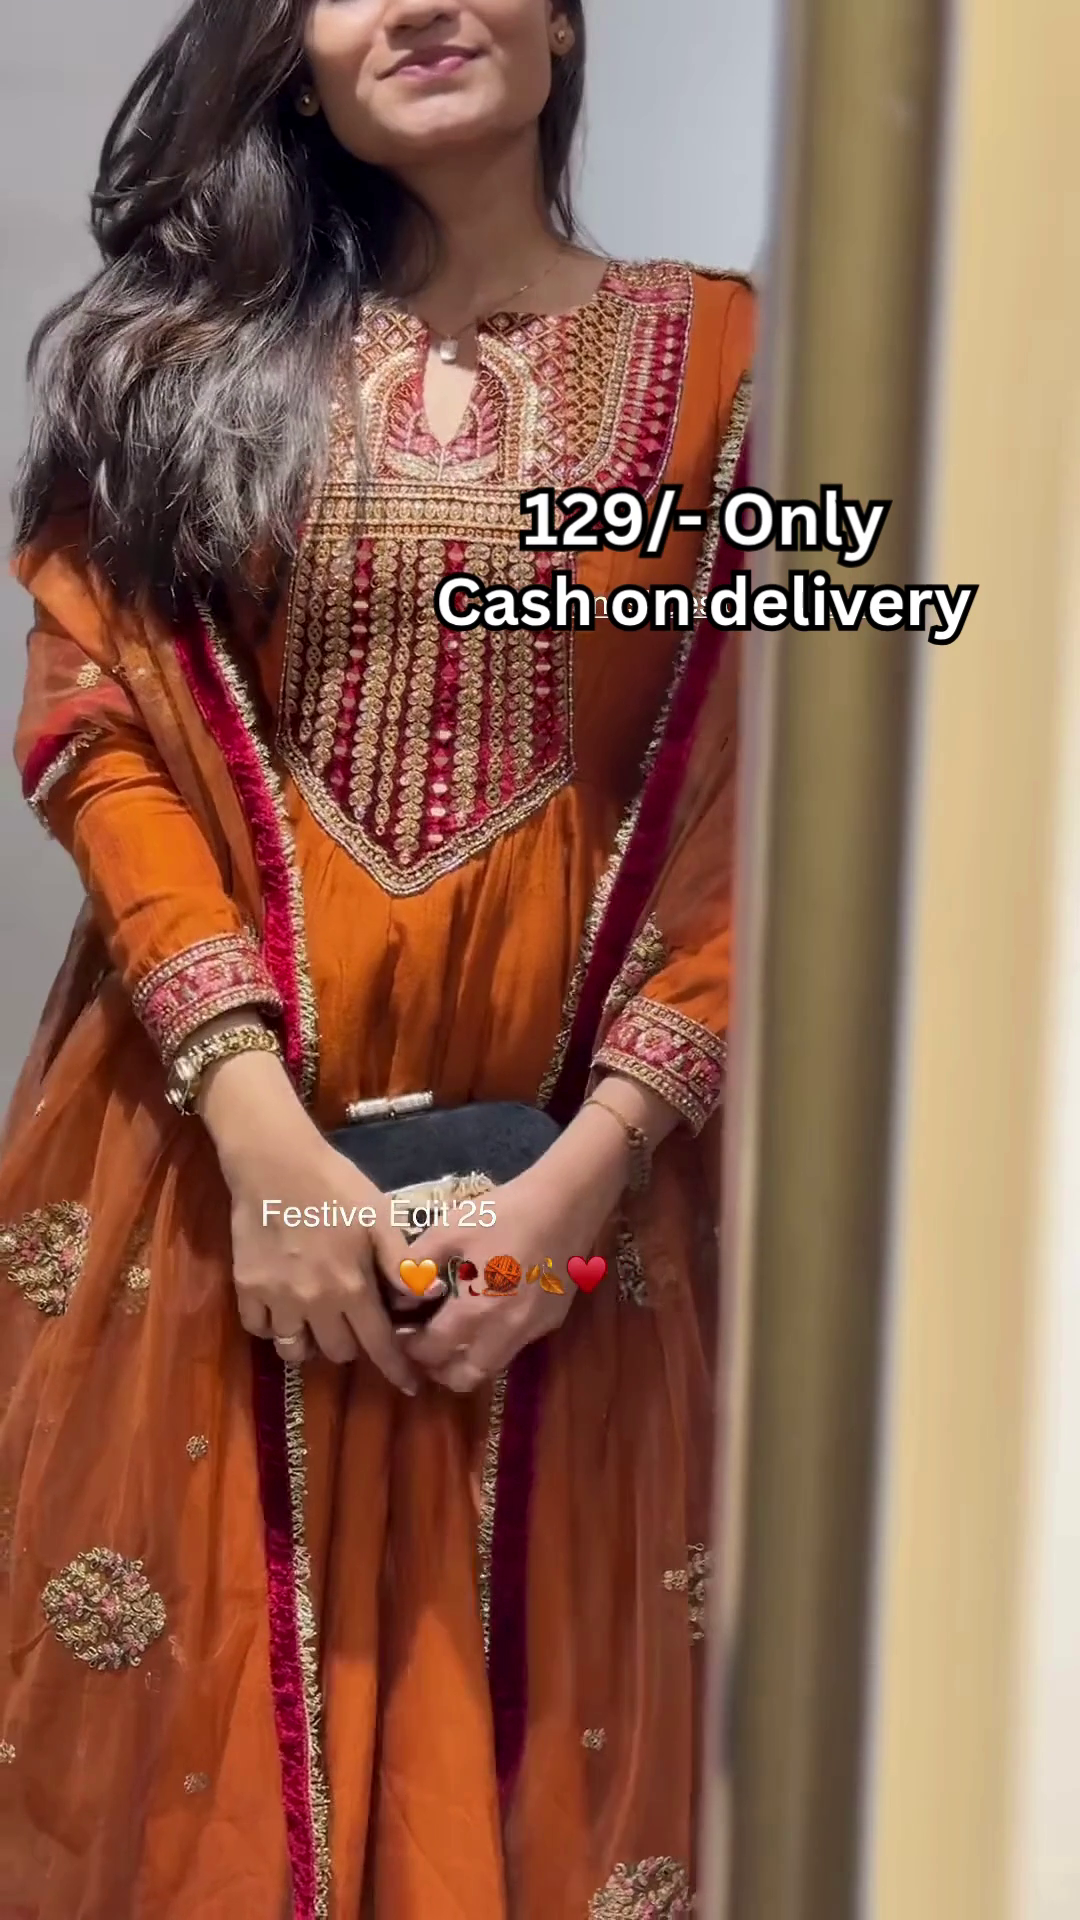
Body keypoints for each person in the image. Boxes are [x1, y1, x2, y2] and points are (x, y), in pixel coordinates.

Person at [0, 2, 753, 1914]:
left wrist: (579, 1189)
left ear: (564, 21)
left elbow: (786, 781)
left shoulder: (738, 375)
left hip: (593, 1217)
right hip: (213, 1183)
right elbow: (95, 728)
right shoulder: (183, 367)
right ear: (297, 51)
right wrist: (262, 1145)